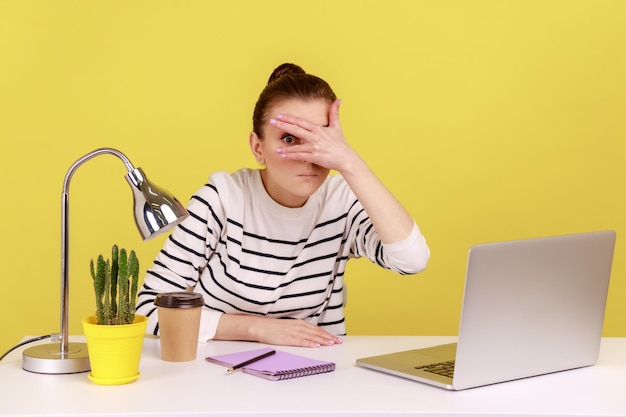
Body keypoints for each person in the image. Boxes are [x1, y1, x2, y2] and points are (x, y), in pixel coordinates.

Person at [136, 63, 430, 348]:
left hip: (316, 375)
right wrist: (258, 329)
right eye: (290, 139)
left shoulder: (341, 200)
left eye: (320, 138)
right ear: (257, 147)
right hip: (222, 375)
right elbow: (148, 308)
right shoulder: (223, 198)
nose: (308, 156)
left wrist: (350, 163)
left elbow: (412, 261)